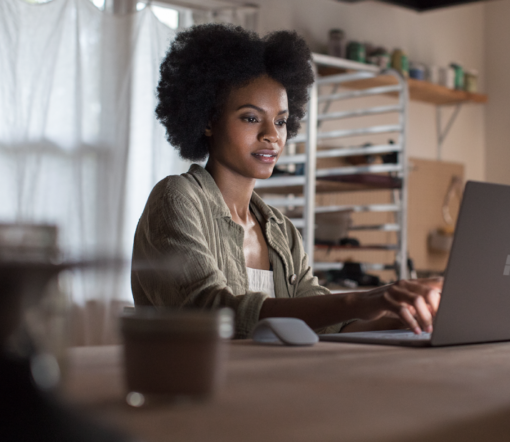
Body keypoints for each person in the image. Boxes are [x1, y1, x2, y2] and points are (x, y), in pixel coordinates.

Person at [131, 24, 441, 339]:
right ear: (208, 121)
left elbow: (330, 325)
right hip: (194, 385)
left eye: (280, 121)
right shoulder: (176, 199)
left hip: (272, 384)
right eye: (251, 118)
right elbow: (213, 312)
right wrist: (361, 299)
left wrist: (417, 317)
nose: (272, 136)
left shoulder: (279, 229)